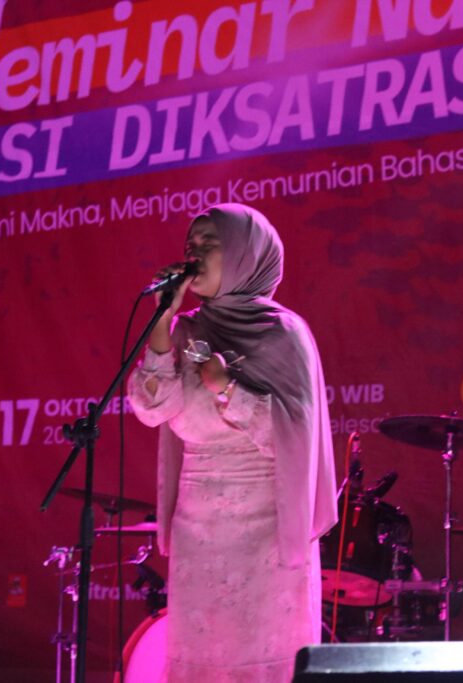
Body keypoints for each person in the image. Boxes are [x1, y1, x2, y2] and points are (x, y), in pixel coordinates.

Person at [128, 203, 338, 682]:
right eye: (190, 245)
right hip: (198, 525)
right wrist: (162, 320)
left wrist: (228, 390)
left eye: (210, 243)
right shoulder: (184, 329)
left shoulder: (283, 332)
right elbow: (151, 410)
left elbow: (295, 439)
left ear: (245, 254)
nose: (194, 254)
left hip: (267, 524)